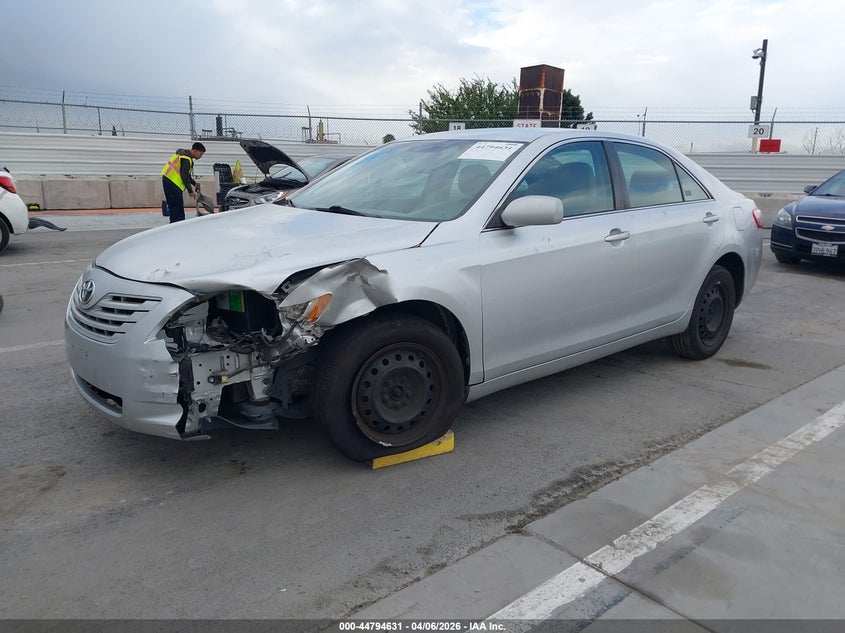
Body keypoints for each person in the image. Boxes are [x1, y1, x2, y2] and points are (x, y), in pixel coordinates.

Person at [161, 142, 206, 223]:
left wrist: (194, 184)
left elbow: (187, 175)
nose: (200, 156)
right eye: (200, 154)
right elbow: (184, 176)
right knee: (177, 206)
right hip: (172, 182)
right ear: (195, 151)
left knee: (175, 206)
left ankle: (176, 223)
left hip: (169, 181)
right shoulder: (185, 159)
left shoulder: (184, 156)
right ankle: (177, 225)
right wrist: (190, 191)